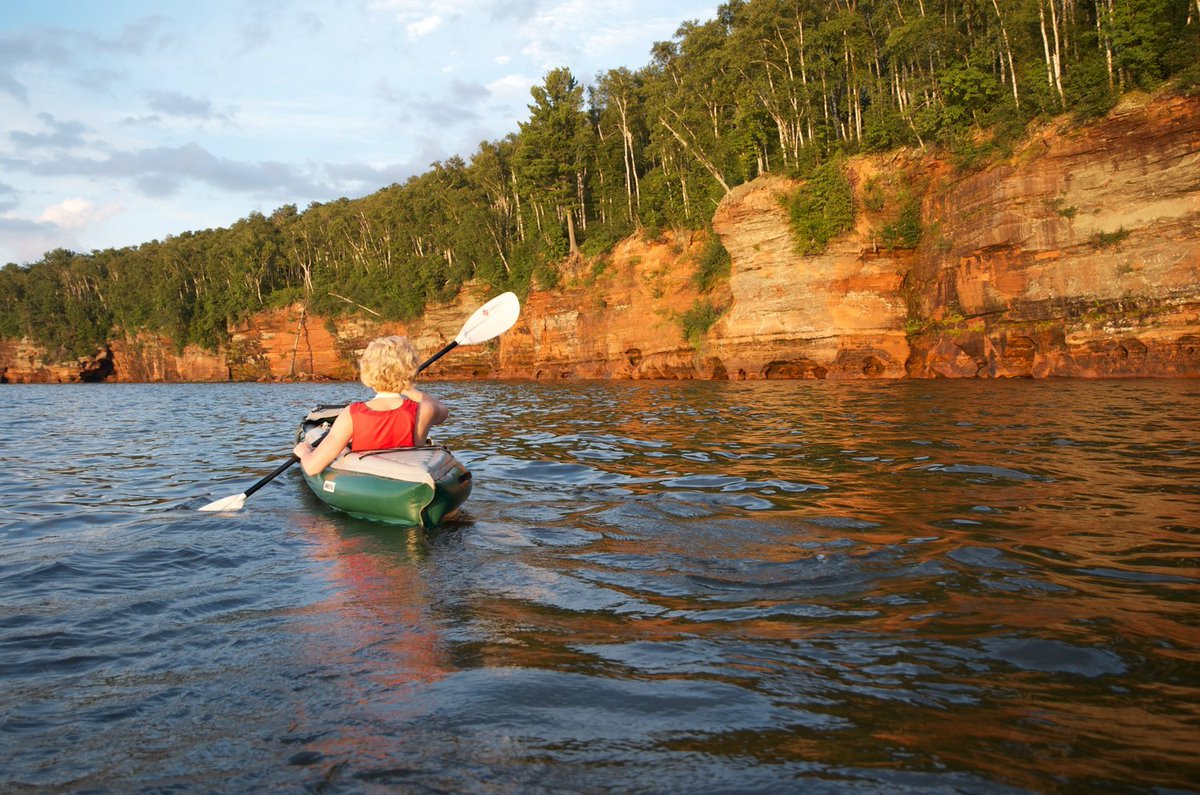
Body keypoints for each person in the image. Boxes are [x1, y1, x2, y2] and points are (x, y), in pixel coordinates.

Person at [293, 335, 449, 476]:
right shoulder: (424, 410)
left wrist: (305, 452)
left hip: (367, 480)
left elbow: (312, 467)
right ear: (412, 370)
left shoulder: (352, 414)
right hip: (410, 475)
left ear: (366, 372)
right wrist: (405, 387)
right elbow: (442, 409)